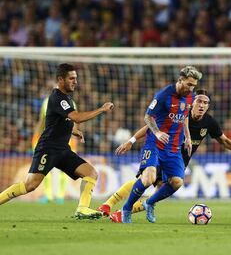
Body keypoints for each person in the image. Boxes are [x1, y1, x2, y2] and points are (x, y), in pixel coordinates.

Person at [97, 89, 231, 222]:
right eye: (199, 101)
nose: (202, 105)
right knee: (146, 178)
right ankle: (109, 204)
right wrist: (130, 141)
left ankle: (121, 212)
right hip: (162, 151)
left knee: (161, 188)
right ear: (192, 103)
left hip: (178, 161)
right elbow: (150, 127)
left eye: (205, 103)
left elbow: (225, 142)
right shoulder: (178, 115)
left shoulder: (209, 123)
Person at [0, 63, 114, 219]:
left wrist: (73, 131)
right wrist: (101, 109)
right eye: (71, 78)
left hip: (63, 150)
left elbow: (58, 121)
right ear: (61, 79)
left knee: (91, 173)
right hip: (48, 149)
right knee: (30, 185)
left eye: (76, 78)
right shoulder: (57, 97)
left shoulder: (66, 99)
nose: (75, 81)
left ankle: (82, 208)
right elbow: (76, 117)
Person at [116, 66, 201, 224]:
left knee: (177, 182)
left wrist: (188, 137)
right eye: (189, 84)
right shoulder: (163, 95)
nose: (191, 88)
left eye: (194, 85)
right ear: (180, 80)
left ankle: (150, 203)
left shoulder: (190, 97)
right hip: (154, 144)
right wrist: (157, 132)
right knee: (149, 178)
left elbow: (184, 117)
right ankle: (126, 209)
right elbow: (148, 117)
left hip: (173, 147)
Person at [32, 96, 78, 204]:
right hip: (49, 140)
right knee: (44, 167)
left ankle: (60, 196)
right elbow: (42, 121)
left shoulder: (71, 102)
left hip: (66, 139)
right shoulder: (46, 102)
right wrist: (35, 137)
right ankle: (48, 195)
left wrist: (75, 141)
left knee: (65, 169)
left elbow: (75, 122)